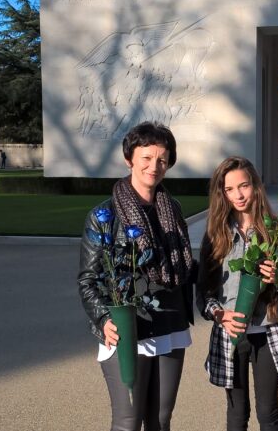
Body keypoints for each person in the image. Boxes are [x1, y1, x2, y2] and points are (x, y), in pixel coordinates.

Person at [77, 121, 196, 431]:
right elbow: (88, 279)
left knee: (160, 420)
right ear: (129, 159)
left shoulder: (173, 209)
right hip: (128, 328)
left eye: (162, 159)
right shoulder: (104, 216)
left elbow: (184, 267)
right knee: (128, 422)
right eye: (146, 157)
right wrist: (104, 318)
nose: (154, 166)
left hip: (171, 323)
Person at [197, 157, 278, 431]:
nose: (238, 195)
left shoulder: (277, 232)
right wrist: (219, 314)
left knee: (268, 413)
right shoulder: (215, 234)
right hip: (230, 333)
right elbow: (203, 292)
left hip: (268, 332)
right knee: (236, 413)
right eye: (229, 189)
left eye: (244, 185)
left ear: (256, 185)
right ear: (222, 193)